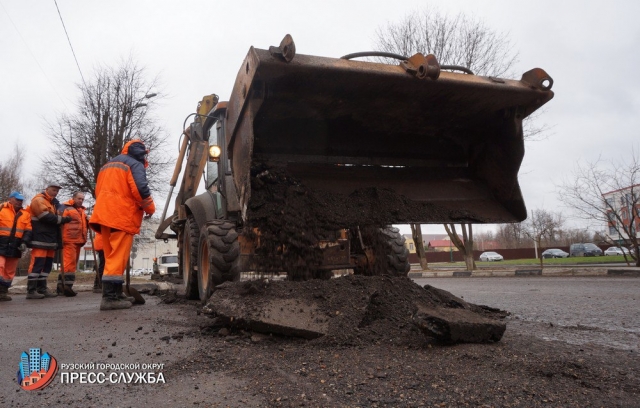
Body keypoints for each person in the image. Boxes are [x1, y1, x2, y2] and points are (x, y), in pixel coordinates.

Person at [90, 139, 155, 310]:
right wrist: (149, 207)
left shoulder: (107, 166)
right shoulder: (134, 164)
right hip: (121, 216)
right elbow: (140, 189)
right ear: (141, 153)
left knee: (111, 257)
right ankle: (110, 298)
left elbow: (99, 191)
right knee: (117, 258)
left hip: (104, 216)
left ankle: (116, 293)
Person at [26, 183, 72, 299]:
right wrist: (62, 219)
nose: (55, 192)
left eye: (57, 191)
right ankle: (31, 290)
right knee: (37, 264)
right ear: (47, 189)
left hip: (50, 239)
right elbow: (44, 216)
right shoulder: (38, 200)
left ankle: (41, 288)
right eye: (53, 190)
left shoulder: (53, 203)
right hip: (40, 238)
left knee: (46, 266)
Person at [0, 192, 32, 301]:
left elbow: (28, 231)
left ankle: (3, 292)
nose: (20, 202)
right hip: (2, 243)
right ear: (10, 199)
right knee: (0, 266)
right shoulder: (1, 209)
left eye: (21, 200)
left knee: (9, 271)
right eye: (17, 199)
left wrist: (24, 242)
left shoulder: (25, 214)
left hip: (16, 245)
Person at [57, 191, 89, 296]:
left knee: (72, 264)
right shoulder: (65, 207)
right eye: (79, 198)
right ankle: (64, 287)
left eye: (82, 199)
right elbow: (59, 219)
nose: (81, 201)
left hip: (78, 240)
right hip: (68, 239)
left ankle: (66, 287)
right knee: (68, 263)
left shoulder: (82, 211)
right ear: (74, 198)